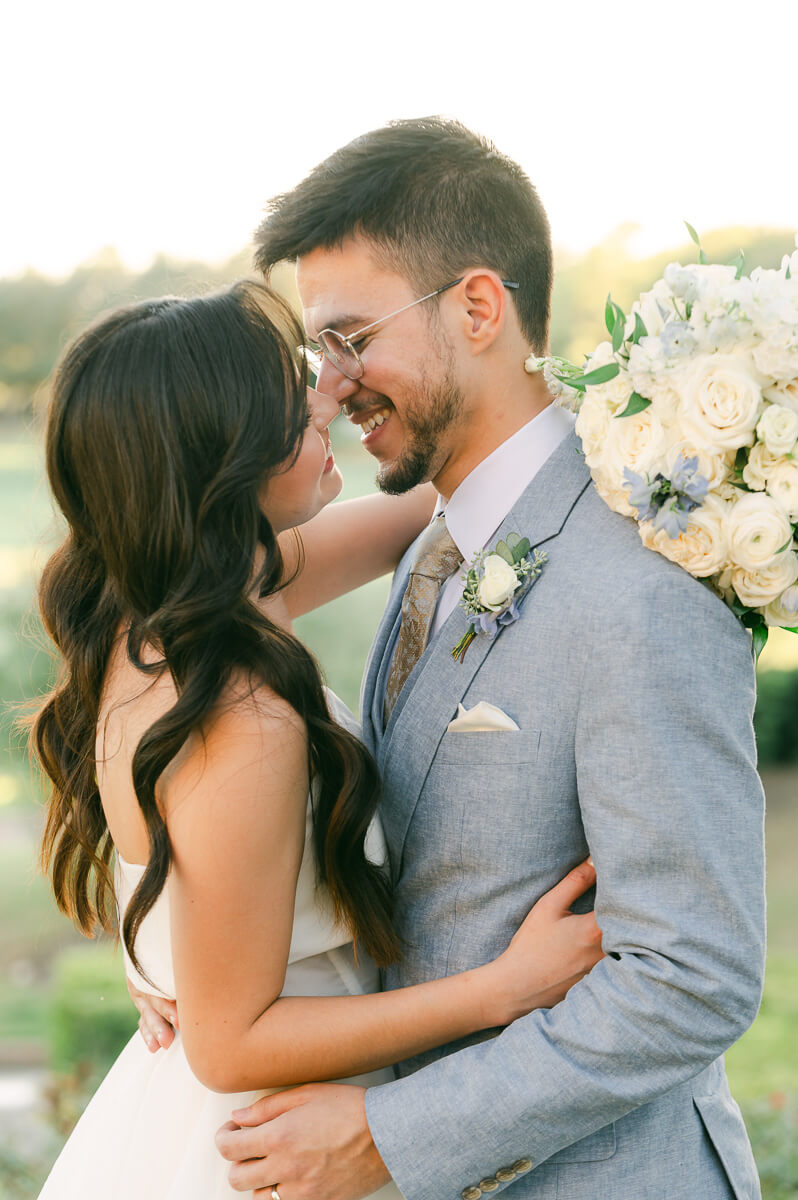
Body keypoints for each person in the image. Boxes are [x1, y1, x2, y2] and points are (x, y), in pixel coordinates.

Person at [208, 118, 766, 1199]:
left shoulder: (637, 586)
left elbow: (689, 976)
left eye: (350, 337)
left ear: (477, 308)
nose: (328, 386)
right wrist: (206, 961)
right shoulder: (438, 536)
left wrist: (392, 1134)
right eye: (320, 351)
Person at [32, 279, 604, 1199]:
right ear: (222, 459)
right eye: (286, 401)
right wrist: (504, 988)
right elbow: (227, 1042)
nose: (318, 403)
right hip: (279, 1137)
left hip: (256, 1112)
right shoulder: (237, 712)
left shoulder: (193, 607)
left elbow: (436, 503)